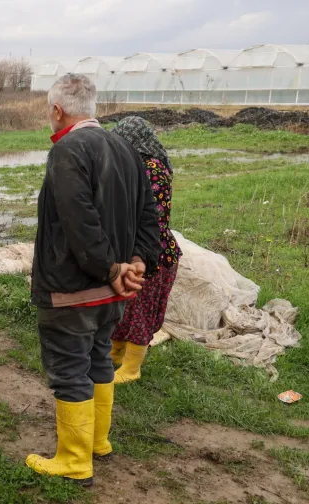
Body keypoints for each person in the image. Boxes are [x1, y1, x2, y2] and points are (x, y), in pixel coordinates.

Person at [26, 74, 160, 485]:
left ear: (57, 109)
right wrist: (137, 262)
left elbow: (78, 221)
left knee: (69, 368)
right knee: (99, 358)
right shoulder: (125, 147)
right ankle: (97, 441)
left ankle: (73, 458)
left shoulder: (68, 149)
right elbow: (148, 214)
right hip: (113, 291)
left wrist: (112, 268)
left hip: (74, 290)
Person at [109, 116, 182, 384]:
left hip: (153, 254)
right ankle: (116, 353)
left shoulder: (152, 169)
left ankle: (131, 368)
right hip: (133, 248)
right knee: (124, 306)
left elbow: (153, 220)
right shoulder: (136, 166)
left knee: (140, 309)